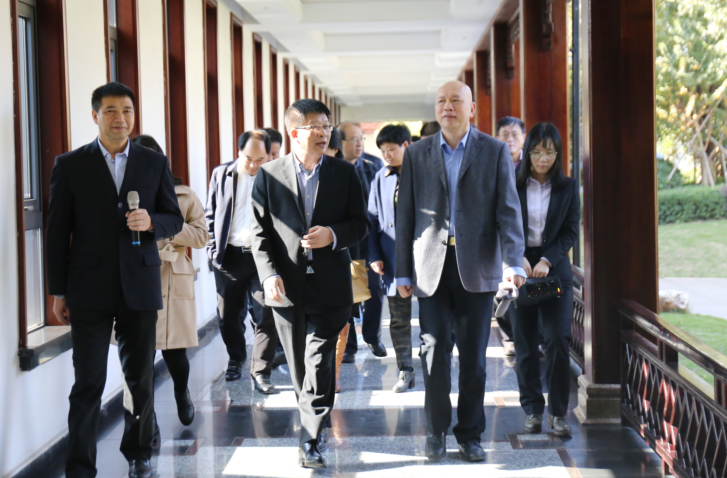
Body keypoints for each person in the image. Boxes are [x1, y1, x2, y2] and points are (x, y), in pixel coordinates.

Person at [47, 82, 183, 478]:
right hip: (87, 289)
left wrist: (152, 221)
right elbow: (57, 232)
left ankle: (139, 453)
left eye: (127, 111)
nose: (120, 118)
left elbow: (173, 218)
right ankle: (79, 466)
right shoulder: (70, 164)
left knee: (140, 378)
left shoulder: (154, 162)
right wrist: (58, 291)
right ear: (95, 116)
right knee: (88, 381)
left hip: (139, 286)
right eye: (110, 111)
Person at [395, 81, 526, 463]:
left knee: (474, 360)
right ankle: (435, 431)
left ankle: (470, 434)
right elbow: (406, 216)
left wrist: (513, 261)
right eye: (441, 101)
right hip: (430, 268)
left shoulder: (494, 150)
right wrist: (402, 272)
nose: (447, 106)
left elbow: (508, 210)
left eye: (456, 100)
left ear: (472, 109)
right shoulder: (416, 153)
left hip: (477, 267)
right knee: (433, 353)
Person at [250, 99, 369, 468]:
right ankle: (315, 422)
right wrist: (268, 275)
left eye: (326, 126)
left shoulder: (344, 173)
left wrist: (332, 234)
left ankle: (310, 439)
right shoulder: (268, 175)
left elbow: (360, 224)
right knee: (301, 368)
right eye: (315, 126)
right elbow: (259, 234)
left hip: (332, 287)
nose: (323, 133)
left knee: (318, 361)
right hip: (286, 288)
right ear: (294, 132)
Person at [130, 135, 207, 431]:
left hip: (173, 276)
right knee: (141, 355)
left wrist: (170, 227)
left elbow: (201, 237)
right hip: (137, 277)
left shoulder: (184, 195)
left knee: (175, 351)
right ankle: (147, 416)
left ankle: (181, 392)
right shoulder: (123, 196)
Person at [513, 123, 579, 438]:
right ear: (528, 152)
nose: (543, 159)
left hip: (554, 271)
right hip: (520, 270)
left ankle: (558, 413)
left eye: (549, 153)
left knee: (558, 339)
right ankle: (532, 410)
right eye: (537, 152)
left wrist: (547, 259)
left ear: (557, 154)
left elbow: (570, 231)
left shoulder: (568, 187)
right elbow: (502, 222)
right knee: (525, 344)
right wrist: (518, 256)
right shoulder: (512, 183)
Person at [206, 130, 278, 393]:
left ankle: (261, 371)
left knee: (266, 314)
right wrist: (213, 250)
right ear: (239, 152)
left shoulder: (273, 177)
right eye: (249, 158)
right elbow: (211, 214)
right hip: (230, 256)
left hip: (263, 257)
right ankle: (236, 359)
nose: (254, 165)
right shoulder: (222, 174)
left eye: (260, 159)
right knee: (227, 316)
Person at [369, 124, 415, 393]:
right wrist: (375, 255)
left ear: (406, 146)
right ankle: (405, 369)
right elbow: (372, 220)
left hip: (423, 259)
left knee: (435, 318)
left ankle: (435, 363)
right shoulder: (380, 177)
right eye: (383, 151)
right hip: (392, 259)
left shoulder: (423, 172)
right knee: (398, 318)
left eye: (391, 150)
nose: (386, 155)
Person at [338, 121, 386, 360]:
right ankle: (349, 346)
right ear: (339, 143)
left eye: (361, 139)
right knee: (347, 294)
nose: (359, 144)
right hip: (344, 243)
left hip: (369, 241)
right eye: (353, 139)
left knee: (374, 290)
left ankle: (372, 337)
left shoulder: (373, 166)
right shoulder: (332, 169)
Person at [325, 128, 357, 393]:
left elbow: (361, 221)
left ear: (335, 150)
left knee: (344, 318)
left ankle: (335, 372)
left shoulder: (346, 175)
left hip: (347, 256)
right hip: (310, 262)